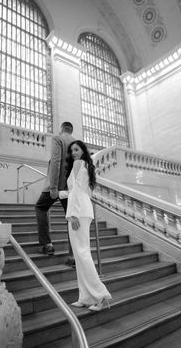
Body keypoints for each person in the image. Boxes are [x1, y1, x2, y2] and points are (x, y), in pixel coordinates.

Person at [60, 140, 112, 311]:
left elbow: (76, 191)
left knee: (82, 254)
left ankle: (101, 296)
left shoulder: (78, 164)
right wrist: (63, 194)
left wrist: (72, 214)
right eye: (72, 150)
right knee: (81, 254)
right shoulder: (86, 166)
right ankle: (85, 297)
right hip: (84, 210)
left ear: (83, 150)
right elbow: (83, 191)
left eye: (77, 149)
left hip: (78, 213)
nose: (74, 152)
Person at [35, 121, 75, 266]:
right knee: (70, 219)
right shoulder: (77, 143)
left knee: (40, 207)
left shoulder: (58, 139)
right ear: (71, 130)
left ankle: (47, 245)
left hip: (57, 187)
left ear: (61, 129)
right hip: (70, 189)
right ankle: (73, 257)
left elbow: (56, 162)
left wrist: (53, 188)